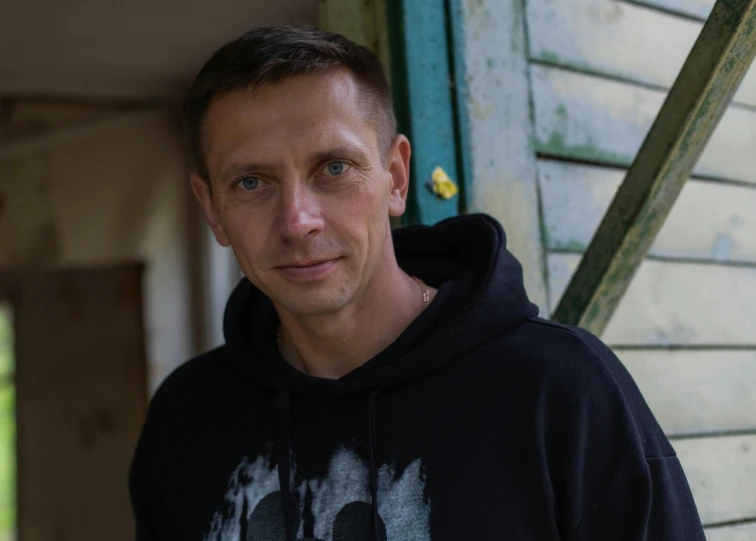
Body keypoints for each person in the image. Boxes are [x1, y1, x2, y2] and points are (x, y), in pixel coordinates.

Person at [129, 25, 706, 541]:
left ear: (396, 177)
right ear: (212, 209)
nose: (298, 221)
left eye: (333, 168)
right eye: (252, 182)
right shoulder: (187, 418)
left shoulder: (558, 388)